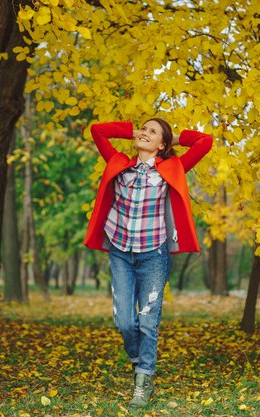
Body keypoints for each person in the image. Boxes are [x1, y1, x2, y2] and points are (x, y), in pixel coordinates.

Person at [83, 118, 213, 406]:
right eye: (143, 129)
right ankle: (138, 360)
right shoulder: (118, 163)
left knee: (148, 322)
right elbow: (98, 131)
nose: (144, 133)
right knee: (125, 321)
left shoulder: (172, 167)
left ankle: (143, 380)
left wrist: (174, 137)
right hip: (120, 252)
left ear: (162, 144)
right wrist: (134, 132)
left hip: (153, 254)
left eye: (151, 132)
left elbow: (205, 142)